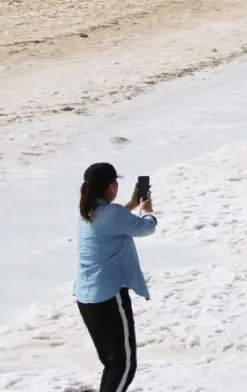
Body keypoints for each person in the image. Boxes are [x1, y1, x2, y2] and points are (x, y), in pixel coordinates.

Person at [74, 162, 157, 392]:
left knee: (112, 363)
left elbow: (113, 222)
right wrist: (147, 211)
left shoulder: (86, 212)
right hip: (109, 297)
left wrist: (131, 205)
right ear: (110, 186)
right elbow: (146, 228)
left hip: (86, 298)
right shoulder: (112, 214)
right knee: (124, 365)